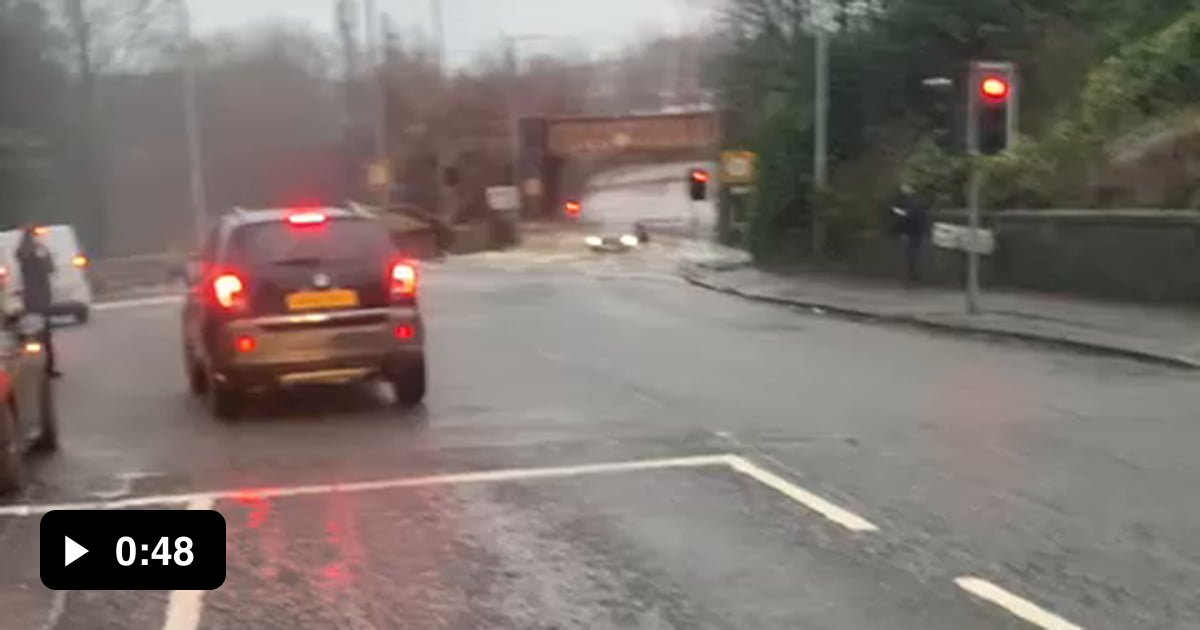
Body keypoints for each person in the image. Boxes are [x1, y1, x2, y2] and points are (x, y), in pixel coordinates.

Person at [15, 226, 60, 378]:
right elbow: (50, 268)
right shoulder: (39, 251)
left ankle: (34, 367)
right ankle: (48, 367)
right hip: (41, 297)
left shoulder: (21, 253)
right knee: (44, 333)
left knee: (32, 331)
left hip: (30, 298)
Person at [890, 183, 930, 286]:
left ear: (910, 188)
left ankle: (913, 277)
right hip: (916, 231)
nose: (903, 189)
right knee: (912, 254)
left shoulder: (914, 200)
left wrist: (900, 213)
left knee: (912, 255)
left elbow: (911, 215)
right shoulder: (916, 199)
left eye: (905, 187)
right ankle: (912, 276)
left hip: (914, 231)